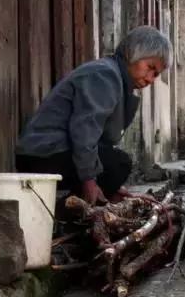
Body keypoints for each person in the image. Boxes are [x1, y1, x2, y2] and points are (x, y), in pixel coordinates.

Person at [16, 25, 172, 205]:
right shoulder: (105, 75)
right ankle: (69, 210)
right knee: (118, 163)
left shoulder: (114, 77)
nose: (150, 78)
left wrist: (113, 188)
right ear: (132, 54)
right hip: (42, 155)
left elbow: (98, 140)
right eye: (149, 67)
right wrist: (89, 181)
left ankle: (81, 205)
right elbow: (85, 132)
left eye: (156, 74)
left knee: (113, 162)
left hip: (49, 153)